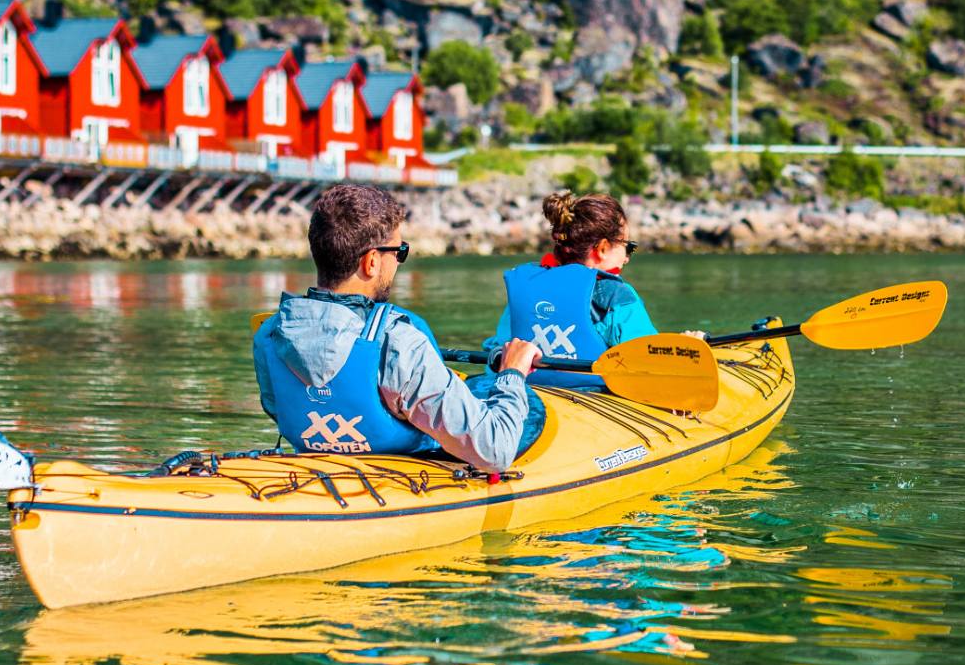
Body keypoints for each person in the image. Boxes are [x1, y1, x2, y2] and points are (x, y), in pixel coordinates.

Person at [253, 184, 541, 472]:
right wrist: (512, 374)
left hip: (320, 465)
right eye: (399, 252)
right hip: (401, 476)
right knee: (527, 409)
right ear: (372, 262)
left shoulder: (271, 334)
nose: (399, 262)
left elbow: (282, 409)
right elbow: (496, 452)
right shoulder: (398, 342)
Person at [483, 191, 661, 389]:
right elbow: (650, 363)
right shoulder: (616, 296)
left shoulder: (527, 292)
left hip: (527, 393)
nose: (627, 257)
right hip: (594, 398)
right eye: (628, 247)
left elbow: (497, 353)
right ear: (602, 248)